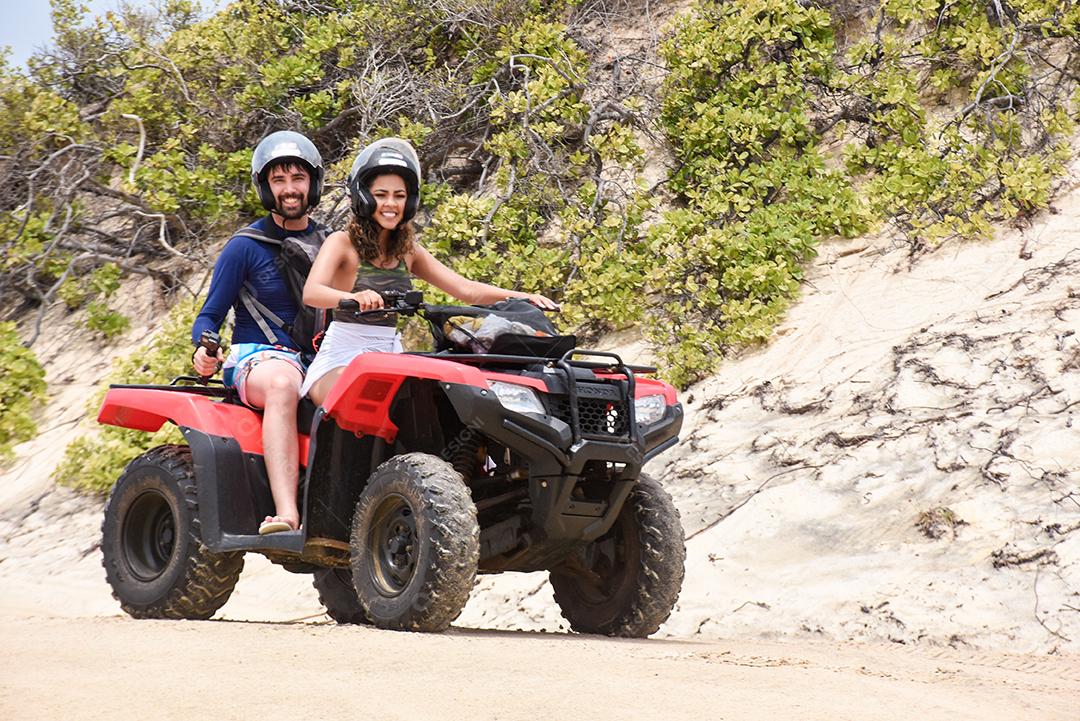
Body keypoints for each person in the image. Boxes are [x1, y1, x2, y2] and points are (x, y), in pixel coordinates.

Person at [301, 137, 557, 405]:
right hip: (342, 355)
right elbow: (312, 293)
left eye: (399, 196)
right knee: (356, 397)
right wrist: (354, 297)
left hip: (388, 354)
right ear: (364, 198)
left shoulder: (409, 251)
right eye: (381, 195)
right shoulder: (341, 243)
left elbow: (465, 289)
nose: (391, 203)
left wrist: (520, 296)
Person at [191, 130, 326, 535]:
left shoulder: (330, 242)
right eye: (278, 180)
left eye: (297, 179)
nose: (289, 189)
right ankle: (287, 514)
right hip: (259, 358)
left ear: (313, 183)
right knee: (284, 383)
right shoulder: (244, 246)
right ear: (265, 187)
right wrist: (204, 349)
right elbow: (209, 315)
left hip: (316, 359)